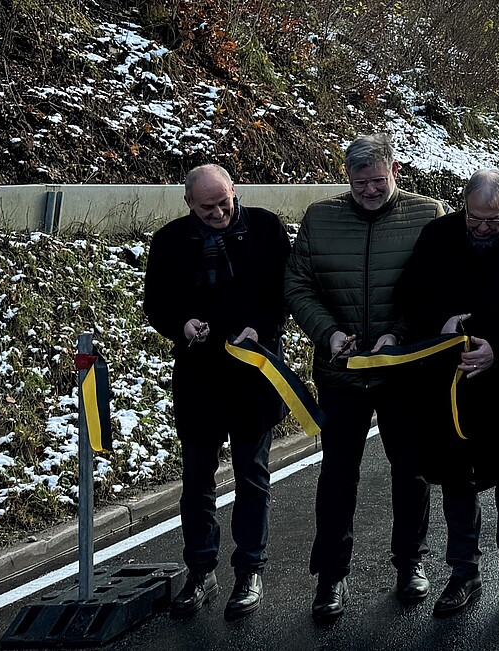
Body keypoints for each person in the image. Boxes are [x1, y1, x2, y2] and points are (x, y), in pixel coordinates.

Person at [284, 135, 443, 621]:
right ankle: (330, 576)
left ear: (395, 170)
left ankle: (410, 562)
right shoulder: (320, 217)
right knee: (337, 475)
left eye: (378, 180)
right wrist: (327, 333)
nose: (371, 190)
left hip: (404, 370)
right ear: (347, 178)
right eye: (361, 183)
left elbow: (436, 288)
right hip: (341, 372)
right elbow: (298, 285)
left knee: (411, 470)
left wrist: (400, 334)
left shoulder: (427, 214)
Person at [391, 169, 499, 616]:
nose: (481, 228)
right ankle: (464, 574)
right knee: (457, 479)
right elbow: (409, 295)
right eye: (474, 219)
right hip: (450, 377)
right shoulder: (437, 235)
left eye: (492, 221)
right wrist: (439, 321)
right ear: (463, 205)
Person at [142, 164, 290, 620]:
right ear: (188, 204)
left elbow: (287, 291)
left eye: (224, 202)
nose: (219, 212)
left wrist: (261, 328)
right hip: (199, 376)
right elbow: (156, 303)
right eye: (207, 207)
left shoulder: (266, 227)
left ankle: (250, 571)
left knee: (251, 476)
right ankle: (200, 570)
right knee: (197, 483)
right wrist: (181, 323)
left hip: (254, 372)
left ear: (234, 192)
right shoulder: (168, 241)